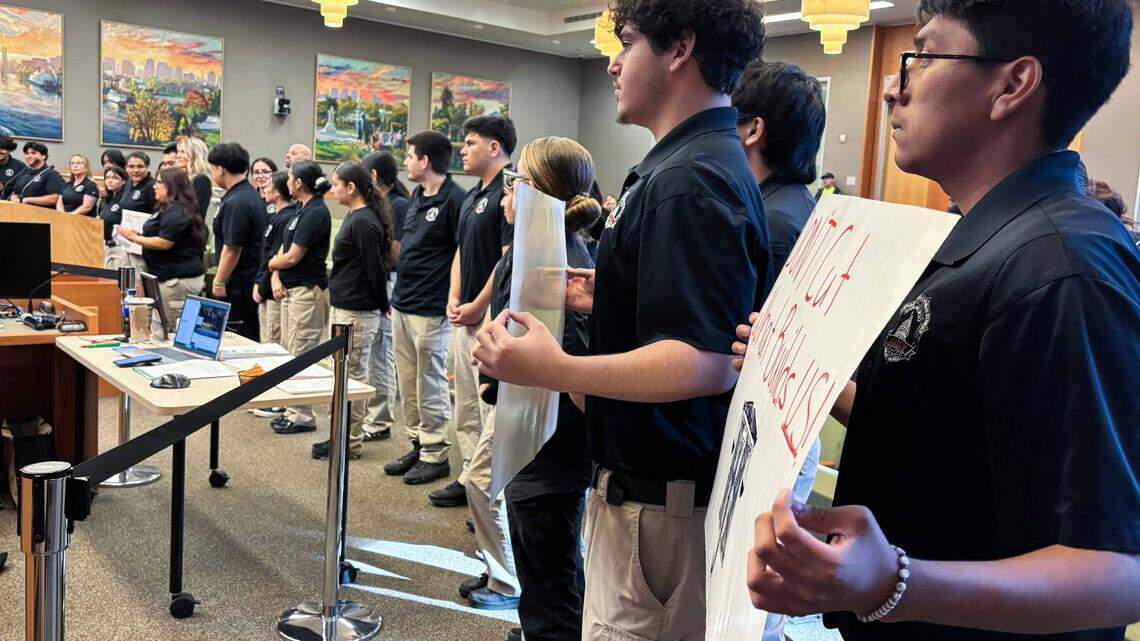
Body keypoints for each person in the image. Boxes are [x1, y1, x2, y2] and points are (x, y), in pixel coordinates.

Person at [736, 2, 1140, 640]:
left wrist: (895, 580)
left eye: (921, 55)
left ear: (1012, 84)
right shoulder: (982, 240)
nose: (893, 87)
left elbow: (1118, 568)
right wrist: (800, 372)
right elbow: (946, 428)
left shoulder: (1059, 265)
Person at [472, 1, 769, 639]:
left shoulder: (690, 179)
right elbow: (690, 315)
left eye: (627, 42)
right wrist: (609, 293)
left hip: (660, 509)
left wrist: (553, 368)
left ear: (680, 47)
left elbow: (706, 360)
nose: (611, 61)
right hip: (646, 499)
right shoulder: (682, 165)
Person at [470, 138, 602, 630]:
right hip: (537, 435)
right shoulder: (538, 253)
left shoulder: (557, 261)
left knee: (552, 581)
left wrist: (500, 370)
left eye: (515, 179)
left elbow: (575, 363)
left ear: (532, 190)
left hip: (548, 446)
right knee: (547, 573)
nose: (509, 190)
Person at [729, 57, 827, 641]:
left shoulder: (777, 221)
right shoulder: (785, 206)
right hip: (780, 434)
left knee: (748, 608)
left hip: (776, 436)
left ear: (752, 128)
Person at [435, 115, 517, 509]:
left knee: (487, 409)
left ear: (494, 147)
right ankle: (468, 479)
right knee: (463, 404)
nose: (462, 150)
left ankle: (489, 492)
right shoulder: (471, 196)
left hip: (487, 318)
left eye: (469, 143)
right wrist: (454, 297)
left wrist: (477, 307)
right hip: (462, 313)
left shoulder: (511, 191)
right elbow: (461, 251)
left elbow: (505, 263)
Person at [383, 130, 465, 486]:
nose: (405, 162)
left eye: (410, 156)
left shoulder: (455, 200)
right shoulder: (417, 195)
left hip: (431, 308)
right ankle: (418, 442)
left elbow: (461, 254)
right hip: (402, 302)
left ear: (425, 161)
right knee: (408, 383)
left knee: (429, 383)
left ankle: (435, 454)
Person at [311, 162, 395, 459]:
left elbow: (375, 271)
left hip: (358, 312)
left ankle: (350, 442)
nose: (332, 190)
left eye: (337, 185)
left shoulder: (363, 222)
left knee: (353, 378)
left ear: (352, 188)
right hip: (346, 307)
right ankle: (340, 436)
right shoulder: (354, 216)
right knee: (342, 376)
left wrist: (383, 305)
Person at [268, 160, 331, 435]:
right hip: (290, 287)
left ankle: (304, 415)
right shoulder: (299, 211)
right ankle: (292, 408)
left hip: (307, 290)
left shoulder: (316, 212)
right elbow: (284, 250)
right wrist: (274, 273)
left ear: (299, 184)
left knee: (301, 351)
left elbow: (292, 256)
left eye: (291, 177)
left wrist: (272, 265)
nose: (287, 181)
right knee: (288, 349)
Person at [360, 151, 411, 441]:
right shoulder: (382, 203)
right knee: (374, 355)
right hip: (379, 281)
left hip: (389, 282)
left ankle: (379, 420)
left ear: (374, 177)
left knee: (381, 353)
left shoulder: (398, 205)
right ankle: (374, 414)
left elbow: (395, 251)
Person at [117, 168, 207, 327]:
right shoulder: (165, 207)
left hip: (177, 281)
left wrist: (135, 238)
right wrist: (139, 233)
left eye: (159, 182)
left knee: (171, 327)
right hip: (164, 277)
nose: (154, 186)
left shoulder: (179, 210)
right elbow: (159, 232)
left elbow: (165, 242)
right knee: (160, 325)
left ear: (172, 186)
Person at [249, 170, 297, 421]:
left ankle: (278, 398)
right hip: (265, 286)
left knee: (276, 344)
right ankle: (269, 393)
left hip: (275, 289)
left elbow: (276, 258)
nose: (264, 187)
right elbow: (266, 255)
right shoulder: (275, 217)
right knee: (267, 343)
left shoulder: (286, 218)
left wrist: (265, 280)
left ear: (279, 190)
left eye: (269, 185)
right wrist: (259, 281)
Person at [208, 142, 267, 341]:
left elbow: (232, 248)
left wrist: (218, 281)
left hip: (240, 284)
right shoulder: (245, 194)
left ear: (220, 169)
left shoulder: (239, 201)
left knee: (240, 339)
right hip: (244, 280)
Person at [4, 141, 65, 208]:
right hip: (20, 212)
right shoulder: (24, 172)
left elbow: (55, 198)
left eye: (33, 153)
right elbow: (16, 191)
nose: (29, 156)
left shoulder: (52, 174)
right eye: (27, 153)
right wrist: (14, 197)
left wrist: (27, 200)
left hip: (41, 215)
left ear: (43, 156)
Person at [97, 165, 135, 270]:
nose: (110, 181)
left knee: (118, 283)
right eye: (107, 178)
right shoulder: (107, 200)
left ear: (123, 181)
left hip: (121, 247)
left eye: (114, 178)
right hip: (107, 246)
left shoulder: (126, 200)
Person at [176, 136, 215, 219]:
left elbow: (196, 213)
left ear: (195, 155)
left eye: (183, 152)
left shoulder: (202, 180)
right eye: (178, 151)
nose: (178, 155)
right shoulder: (180, 178)